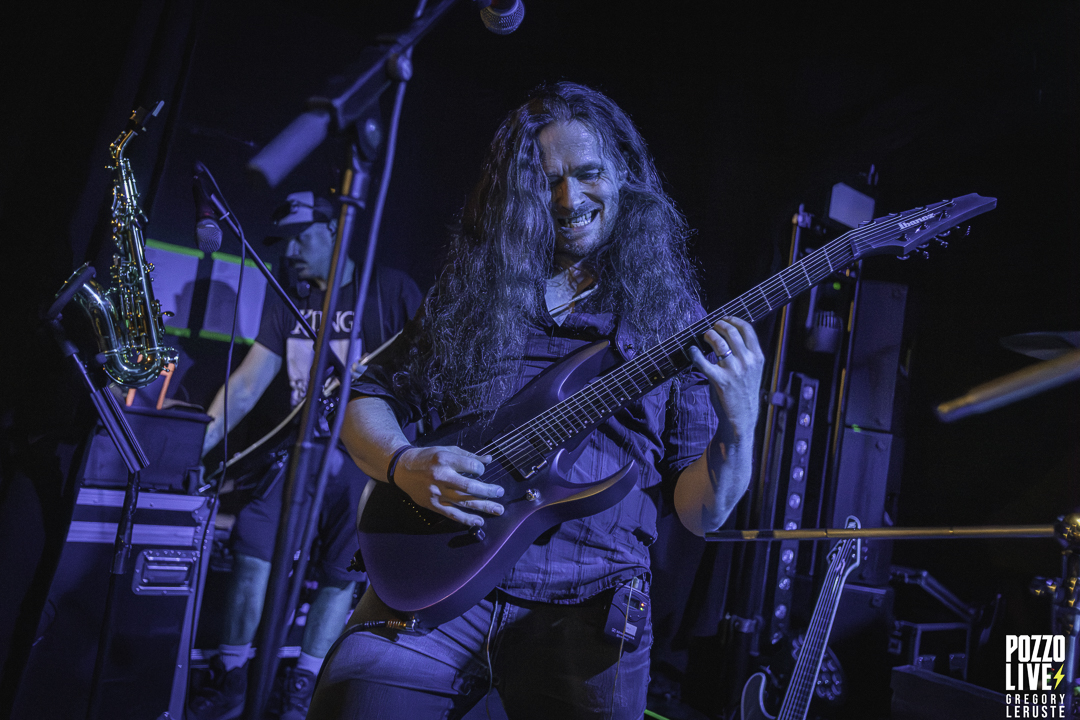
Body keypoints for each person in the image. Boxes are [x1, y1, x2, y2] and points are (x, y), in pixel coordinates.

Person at [309, 82, 765, 720]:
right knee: (348, 701)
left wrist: (738, 424)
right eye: (547, 182)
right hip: (434, 580)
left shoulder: (671, 317)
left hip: (589, 607)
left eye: (588, 175)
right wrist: (403, 464)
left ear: (624, 175)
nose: (570, 200)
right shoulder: (476, 289)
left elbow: (701, 515)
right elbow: (364, 399)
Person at [188, 192, 422, 720]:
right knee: (252, 547)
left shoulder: (388, 289)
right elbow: (247, 384)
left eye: (301, 237)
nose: (290, 251)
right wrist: (192, 450)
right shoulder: (288, 300)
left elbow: (430, 371)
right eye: (284, 241)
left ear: (337, 230)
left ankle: (303, 685)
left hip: (365, 462)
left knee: (342, 574)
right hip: (302, 455)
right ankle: (230, 677)